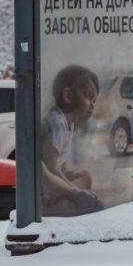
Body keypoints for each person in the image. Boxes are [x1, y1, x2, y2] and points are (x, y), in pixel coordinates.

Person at [41, 65, 104, 217]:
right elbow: (51, 167)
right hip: (45, 182)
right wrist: (75, 192)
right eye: (88, 96)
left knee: (84, 176)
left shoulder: (69, 123)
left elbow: (61, 165)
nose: (92, 105)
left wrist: (71, 185)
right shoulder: (57, 122)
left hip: (55, 179)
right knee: (42, 167)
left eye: (94, 100)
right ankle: (60, 203)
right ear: (68, 95)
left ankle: (66, 201)